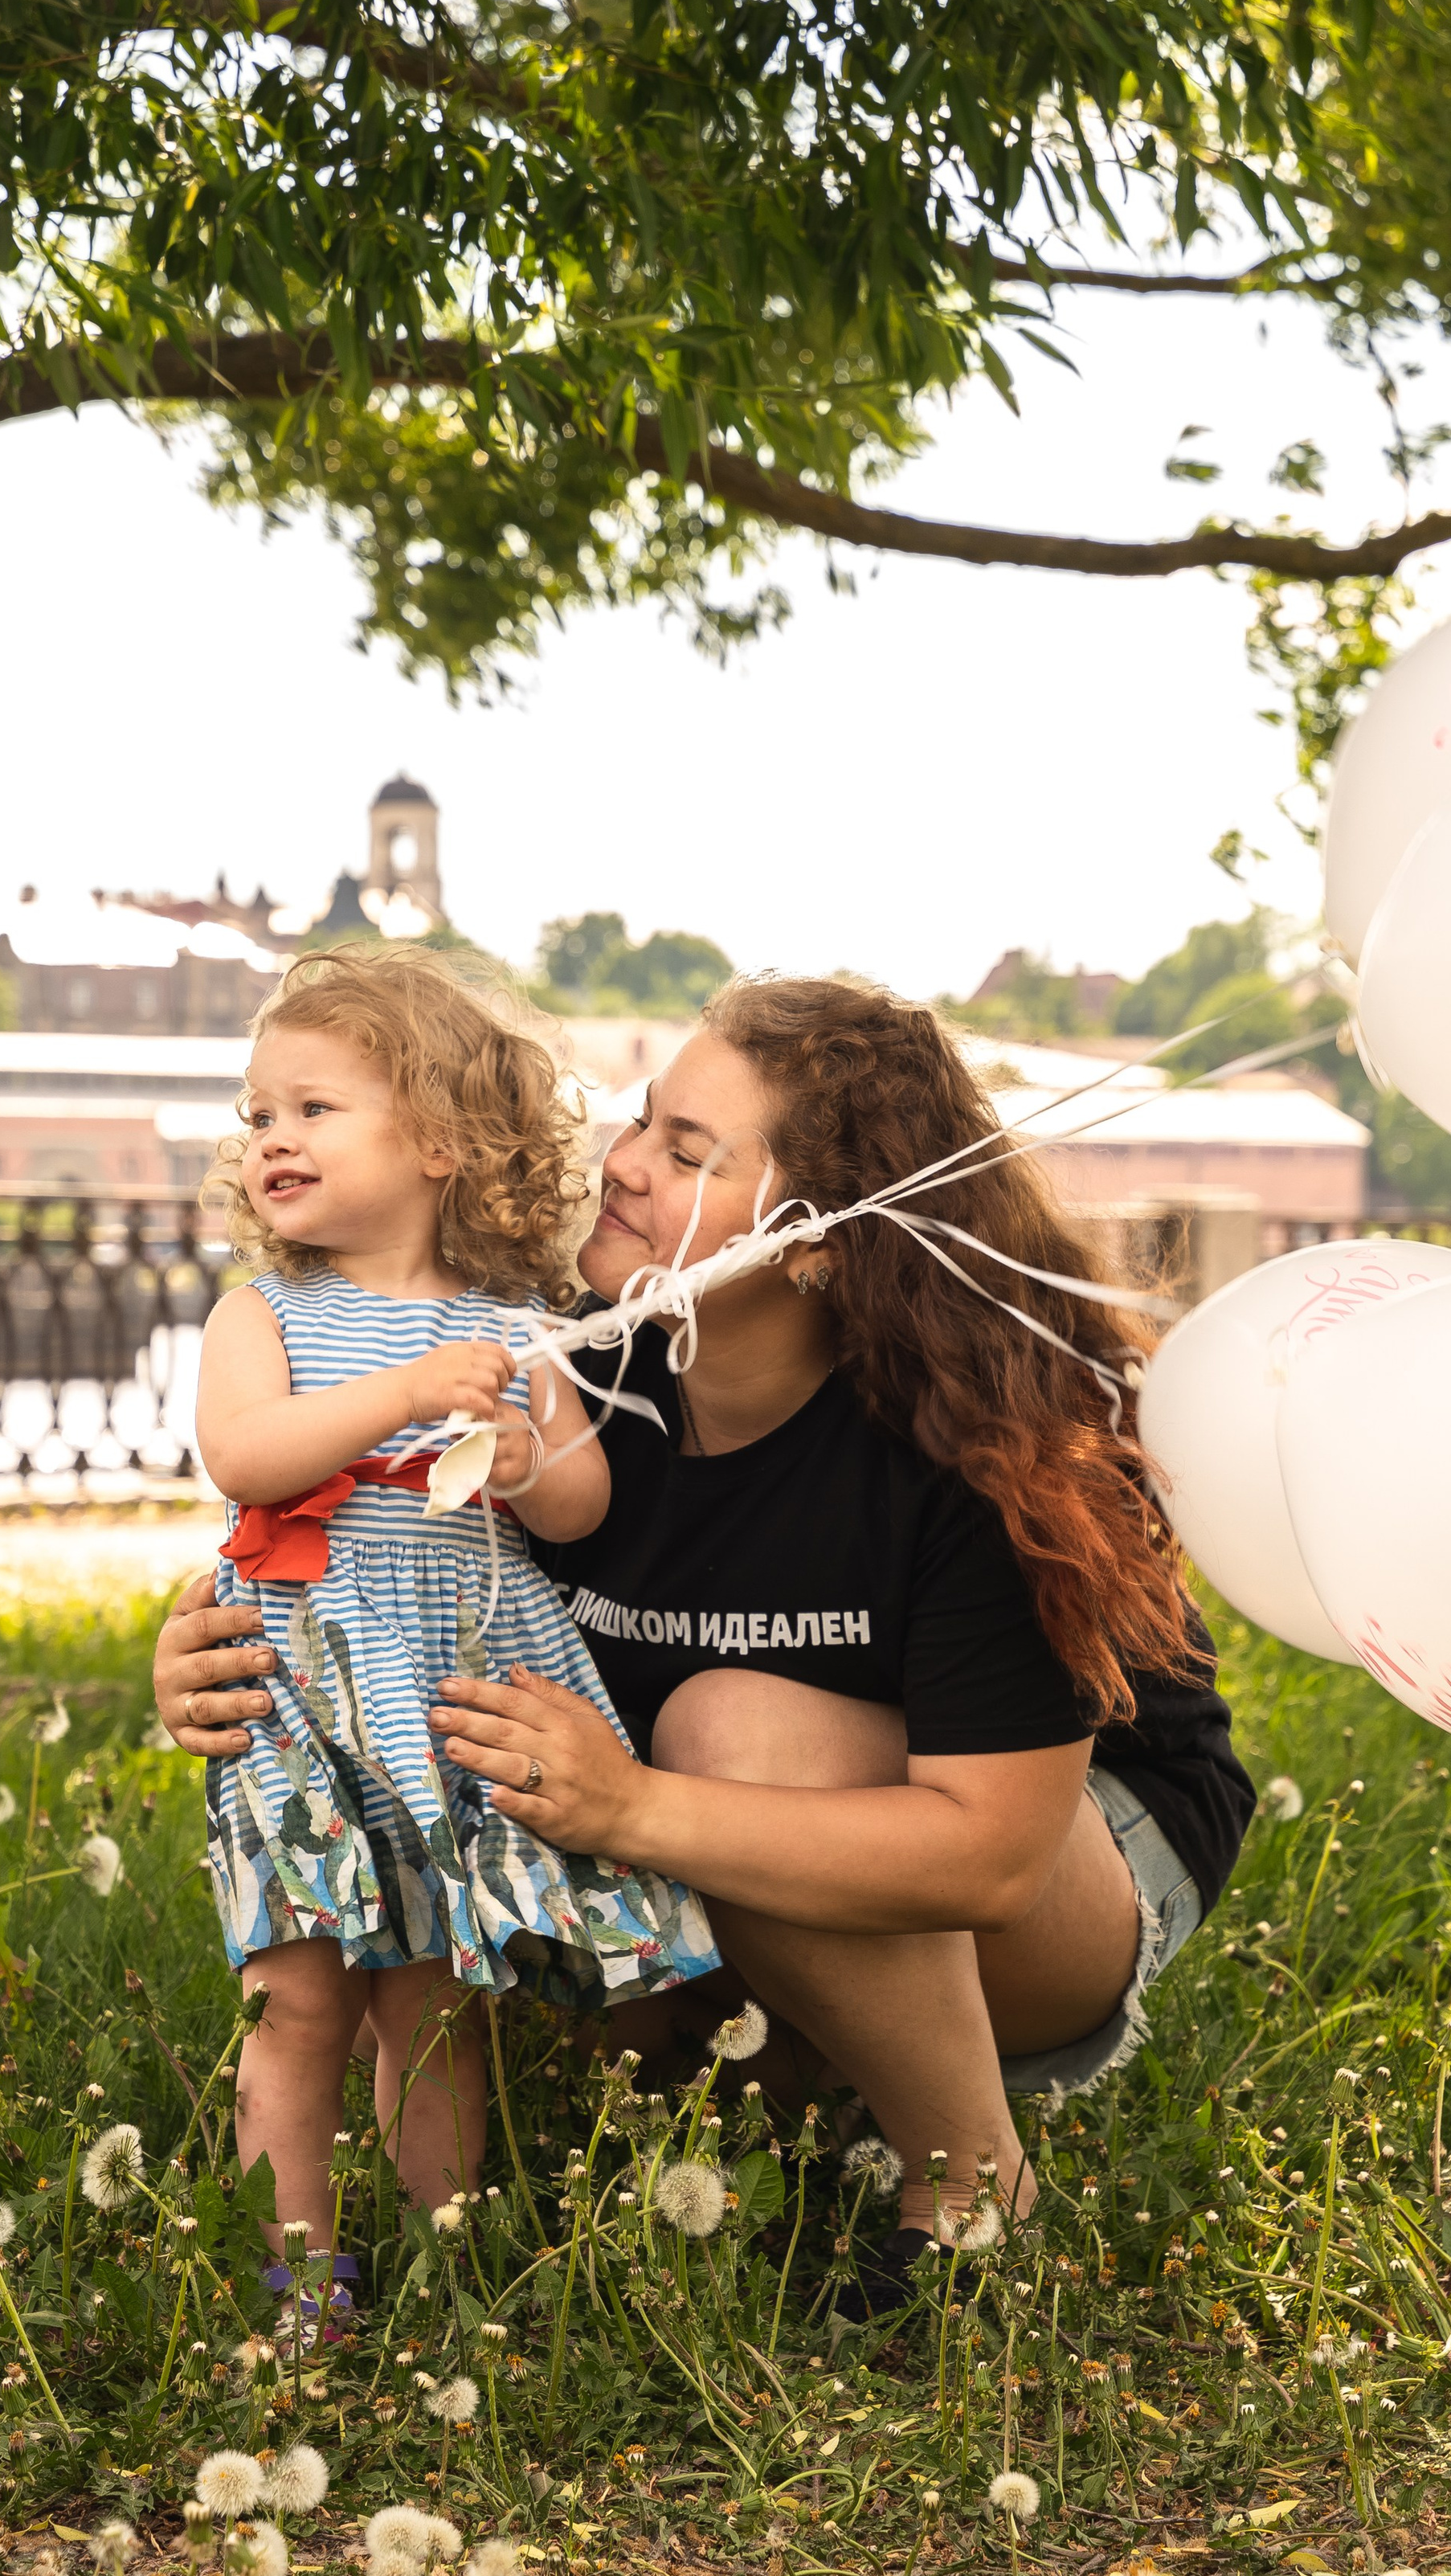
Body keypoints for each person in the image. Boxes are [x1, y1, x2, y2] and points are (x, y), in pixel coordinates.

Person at [161, 974, 1250, 2302]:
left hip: (1063, 1866)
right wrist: (221, 1649)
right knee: (549, 1978)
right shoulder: (563, 1379)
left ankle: (969, 2193)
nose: (617, 1169)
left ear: (810, 1242)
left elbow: (987, 1856)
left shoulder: (977, 1444)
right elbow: (378, 1559)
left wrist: (634, 1807)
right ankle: (801, 2074)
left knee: (735, 1730)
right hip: (729, 1833)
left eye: (685, 1154)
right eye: (639, 1122)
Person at [191, 945, 717, 2345]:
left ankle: (448, 2276)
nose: (274, 1140)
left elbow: (584, 1494)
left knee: (433, 2006)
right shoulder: (268, 1317)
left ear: (439, 1143)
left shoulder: (510, 1330)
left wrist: (520, 1452)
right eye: (259, 1118)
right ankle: (298, 2291)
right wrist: (406, 1393)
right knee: (296, 2000)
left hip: (448, 1690)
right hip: (304, 1690)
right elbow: (245, 1454)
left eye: (313, 1109)